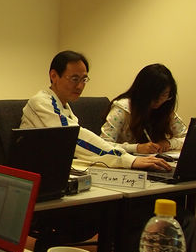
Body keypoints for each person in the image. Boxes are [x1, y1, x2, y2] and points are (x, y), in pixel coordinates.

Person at [20, 50, 171, 171]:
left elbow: (92, 142)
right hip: (34, 176)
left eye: (84, 79)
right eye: (74, 79)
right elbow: (76, 138)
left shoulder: (64, 106)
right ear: (54, 76)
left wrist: (132, 153)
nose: (80, 86)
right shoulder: (41, 102)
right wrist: (129, 160)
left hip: (55, 170)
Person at [101, 63, 187, 154]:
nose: (159, 101)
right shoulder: (123, 109)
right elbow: (103, 144)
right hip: (124, 160)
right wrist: (136, 148)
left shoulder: (165, 108)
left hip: (154, 159)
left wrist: (169, 143)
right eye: (155, 96)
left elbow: (187, 138)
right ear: (142, 92)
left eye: (164, 95)